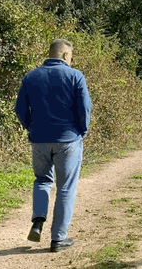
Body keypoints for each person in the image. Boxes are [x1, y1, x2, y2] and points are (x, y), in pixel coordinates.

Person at [15, 39, 91, 252]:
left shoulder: (31, 76)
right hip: (68, 139)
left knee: (41, 180)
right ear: (66, 55)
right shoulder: (75, 76)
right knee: (65, 187)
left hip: (39, 139)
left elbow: (20, 109)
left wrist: (31, 128)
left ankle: (38, 221)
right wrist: (81, 131)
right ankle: (58, 238)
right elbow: (84, 109)